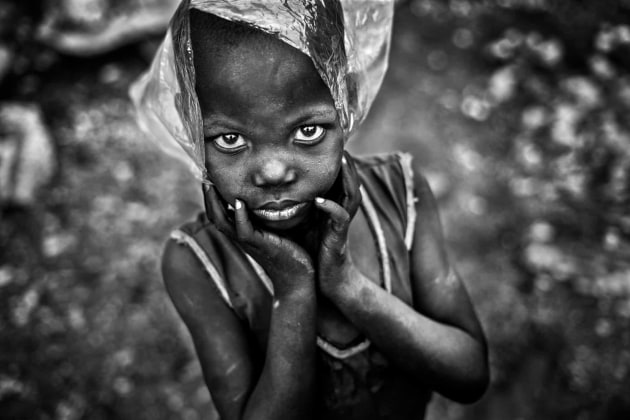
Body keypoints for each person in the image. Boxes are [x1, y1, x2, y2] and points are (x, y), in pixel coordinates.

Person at [131, 1, 489, 419]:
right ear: (189, 121)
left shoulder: (401, 192)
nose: (273, 172)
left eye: (307, 131)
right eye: (230, 139)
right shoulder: (196, 263)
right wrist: (294, 290)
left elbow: (469, 373)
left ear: (346, 98)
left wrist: (348, 285)